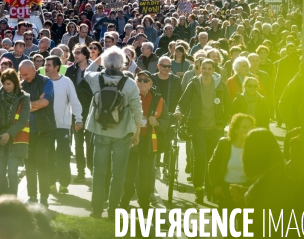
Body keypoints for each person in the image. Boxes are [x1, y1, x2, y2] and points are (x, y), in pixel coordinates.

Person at [84, 46, 142, 218]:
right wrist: (137, 132)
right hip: (122, 133)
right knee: (118, 174)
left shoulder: (96, 78)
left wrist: (100, 58)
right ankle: (112, 211)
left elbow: (87, 71)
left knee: (99, 172)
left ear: (105, 62)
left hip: (100, 130)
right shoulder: (130, 83)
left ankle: (96, 210)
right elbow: (137, 110)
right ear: (123, 64)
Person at [176, 59, 232, 202]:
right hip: (198, 128)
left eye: (209, 68)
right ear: (200, 69)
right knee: (199, 158)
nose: (206, 71)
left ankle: (211, 188)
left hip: (215, 128)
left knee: (212, 160)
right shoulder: (194, 84)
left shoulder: (221, 86)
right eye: (204, 68)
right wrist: (179, 113)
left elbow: (229, 107)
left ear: (214, 70)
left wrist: (222, 123)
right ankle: (198, 189)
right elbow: (182, 103)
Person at [120, 70, 167, 211]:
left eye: (145, 80)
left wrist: (157, 123)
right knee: (129, 172)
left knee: (145, 174)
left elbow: (166, 119)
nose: (142, 82)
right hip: (131, 140)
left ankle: (144, 201)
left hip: (148, 142)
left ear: (151, 83)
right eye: (139, 79)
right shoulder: (128, 96)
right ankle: (126, 197)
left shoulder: (158, 99)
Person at [0, 69, 30, 196]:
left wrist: (9, 134)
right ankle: (5, 199)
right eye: (4, 84)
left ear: (15, 83)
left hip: (14, 139)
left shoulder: (24, 97)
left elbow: (23, 120)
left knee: (12, 173)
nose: (6, 87)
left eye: (9, 84)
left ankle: (13, 201)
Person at [19, 60, 55, 208]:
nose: (24, 77)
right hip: (28, 131)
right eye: (21, 74)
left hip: (44, 129)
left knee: (41, 161)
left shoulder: (46, 82)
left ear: (34, 70)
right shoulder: (21, 85)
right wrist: (35, 103)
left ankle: (44, 196)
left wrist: (29, 105)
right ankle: (32, 196)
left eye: (26, 74)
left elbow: (45, 103)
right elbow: (19, 106)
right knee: (29, 164)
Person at [44, 55, 83, 194]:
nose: (46, 67)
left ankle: (64, 184)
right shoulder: (43, 81)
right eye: (45, 64)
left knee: (63, 155)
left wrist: (79, 118)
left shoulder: (66, 82)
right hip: (46, 127)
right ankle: (51, 183)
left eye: (48, 65)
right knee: (48, 155)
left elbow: (74, 101)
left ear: (56, 67)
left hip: (63, 126)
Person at [208, 113, 255, 208]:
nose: (248, 130)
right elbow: (212, 165)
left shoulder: (255, 147)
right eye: (244, 127)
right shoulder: (224, 144)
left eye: (250, 127)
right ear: (236, 130)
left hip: (246, 191)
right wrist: (215, 186)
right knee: (225, 221)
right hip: (226, 190)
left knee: (245, 221)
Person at [65, 44, 94, 183]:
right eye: (74, 52)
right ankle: (81, 171)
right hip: (75, 109)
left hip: (91, 108)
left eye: (78, 52)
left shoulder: (94, 68)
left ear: (85, 54)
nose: (76, 55)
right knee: (78, 143)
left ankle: (92, 168)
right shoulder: (71, 70)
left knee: (90, 142)